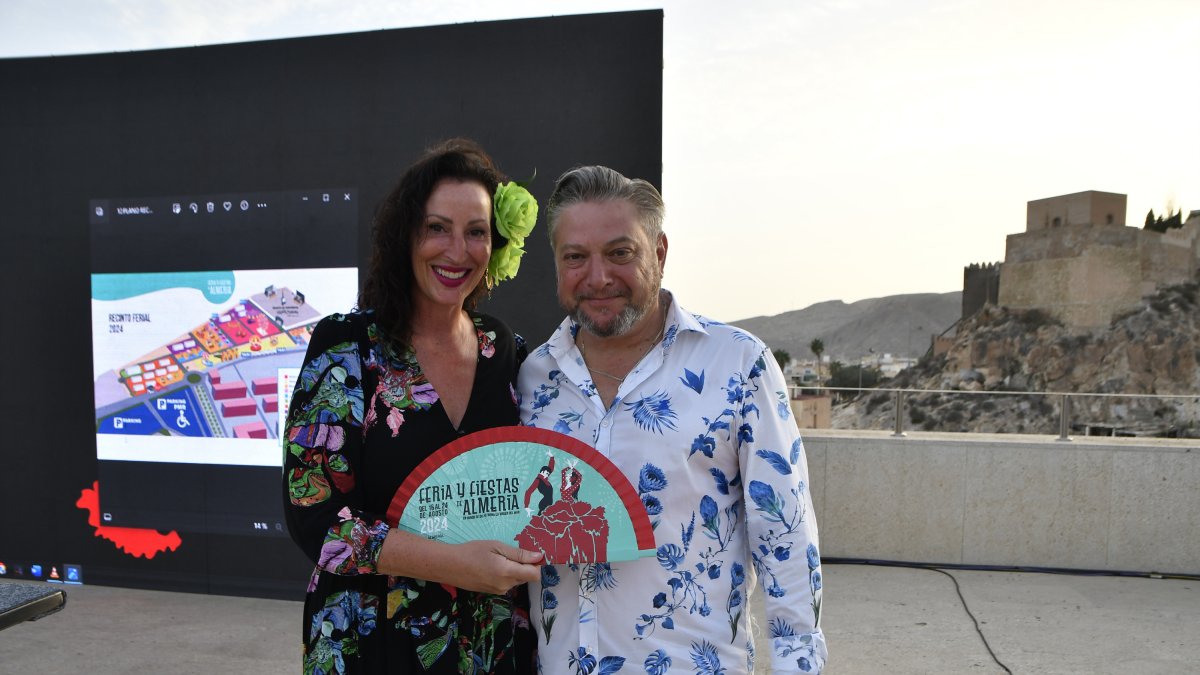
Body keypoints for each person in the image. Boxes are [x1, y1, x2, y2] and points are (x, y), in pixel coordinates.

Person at [518, 166, 827, 673]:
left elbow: (786, 538)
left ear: (659, 252)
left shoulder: (739, 364)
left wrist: (799, 664)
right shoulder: (533, 377)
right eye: (576, 257)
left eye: (621, 253)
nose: (598, 278)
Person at [283, 138, 542, 674]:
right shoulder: (346, 346)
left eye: (476, 232)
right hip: (369, 641)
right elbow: (317, 520)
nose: (457, 250)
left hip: (486, 643)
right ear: (406, 236)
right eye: (436, 228)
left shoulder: (505, 350)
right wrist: (457, 565)